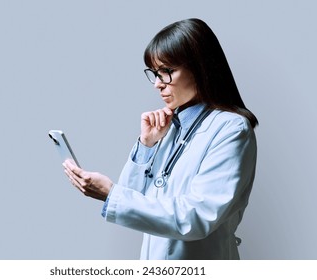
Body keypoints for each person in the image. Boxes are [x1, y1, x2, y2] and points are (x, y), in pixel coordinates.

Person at [63, 18, 258, 260]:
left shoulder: (231, 129)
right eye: (155, 73)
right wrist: (146, 146)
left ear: (201, 67)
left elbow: (196, 217)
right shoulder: (169, 127)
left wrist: (110, 194)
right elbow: (131, 199)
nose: (157, 84)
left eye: (166, 72)